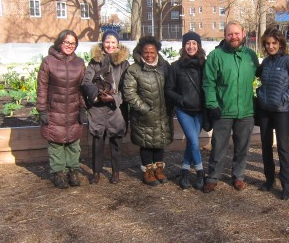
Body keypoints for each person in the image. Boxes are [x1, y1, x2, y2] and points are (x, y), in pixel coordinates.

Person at [202, 21, 259, 193]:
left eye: (236, 33)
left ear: (243, 33)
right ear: (225, 36)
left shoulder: (251, 56)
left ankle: (238, 176)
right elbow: (208, 83)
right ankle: (213, 177)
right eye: (229, 34)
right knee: (218, 146)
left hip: (246, 111)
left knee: (242, 147)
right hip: (223, 110)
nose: (233, 37)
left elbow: (260, 76)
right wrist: (212, 104)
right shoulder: (216, 56)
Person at [256, 27, 289, 200]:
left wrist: (286, 96)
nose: (271, 46)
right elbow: (259, 77)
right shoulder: (266, 62)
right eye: (267, 44)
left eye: (274, 43)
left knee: (283, 148)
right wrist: (260, 92)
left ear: (280, 43)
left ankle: (286, 184)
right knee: (266, 146)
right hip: (265, 110)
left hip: (282, 110)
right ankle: (269, 180)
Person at [36, 30, 86, 189]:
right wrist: (42, 109)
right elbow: (42, 88)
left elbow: (82, 87)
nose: (69, 46)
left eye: (73, 43)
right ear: (59, 43)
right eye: (66, 42)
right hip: (54, 109)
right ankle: (58, 173)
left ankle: (73, 171)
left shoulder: (79, 63)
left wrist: (83, 107)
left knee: (73, 142)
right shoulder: (48, 62)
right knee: (56, 143)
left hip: (73, 108)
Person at [122, 36, 173, 186]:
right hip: (144, 115)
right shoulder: (134, 70)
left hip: (163, 113)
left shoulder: (164, 67)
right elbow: (129, 93)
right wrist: (144, 109)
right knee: (146, 144)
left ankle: (159, 170)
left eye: (152, 52)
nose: (149, 55)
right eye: (146, 52)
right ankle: (148, 172)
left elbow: (171, 86)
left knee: (159, 143)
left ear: (157, 51)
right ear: (141, 52)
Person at [82, 30, 130, 184]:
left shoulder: (124, 64)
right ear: (103, 43)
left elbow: (127, 86)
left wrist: (114, 97)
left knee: (116, 140)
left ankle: (116, 172)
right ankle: (96, 172)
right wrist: (97, 94)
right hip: (98, 107)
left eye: (113, 42)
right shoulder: (95, 62)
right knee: (97, 140)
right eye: (107, 42)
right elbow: (86, 81)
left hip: (116, 107)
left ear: (118, 44)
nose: (110, 45)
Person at [165, 31, 207, 190]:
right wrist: (181, 100)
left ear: (199, 46)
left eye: (194, 43)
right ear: (184, 46)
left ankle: (184, 171)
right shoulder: (176, 66)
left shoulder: (205, 65)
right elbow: (169, 90)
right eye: (188, 43)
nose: (191, 46)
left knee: (191, 142)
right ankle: (200, 172)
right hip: (184, 111)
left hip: (200, 111)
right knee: (195, 142)